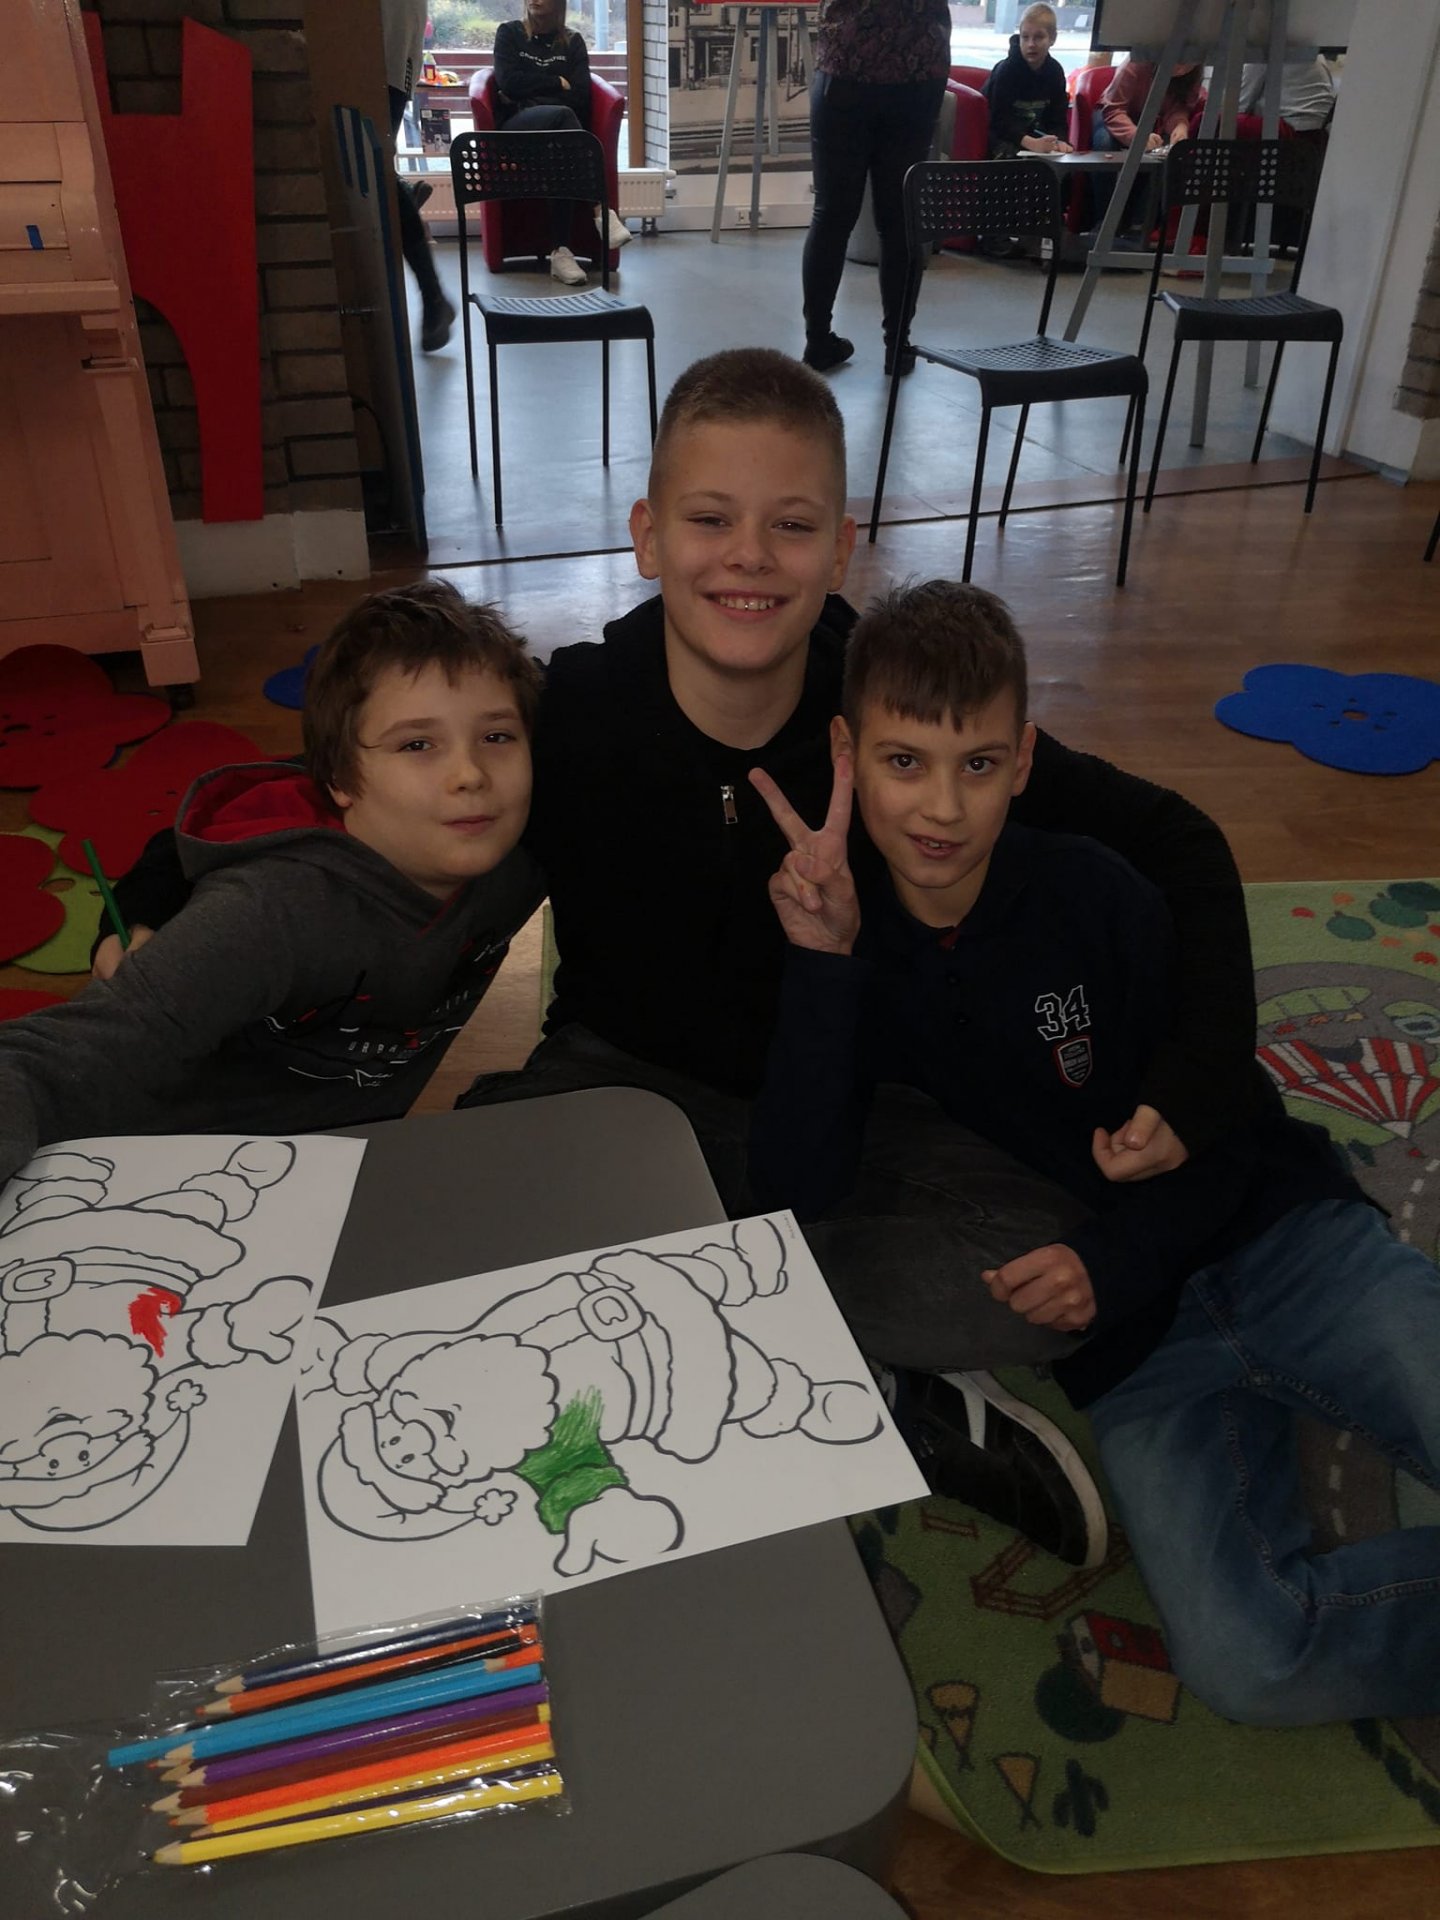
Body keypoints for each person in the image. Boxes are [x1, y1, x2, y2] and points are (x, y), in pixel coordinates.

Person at [98, 350, 1262, 1561]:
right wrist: (152, 895)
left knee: (1052, 1271)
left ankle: (738, 1325)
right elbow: (333, 786)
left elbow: (1174, 836)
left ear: (840, 547)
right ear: (649, 536)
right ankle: (866, 1377)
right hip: (618, 1084)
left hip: (857, 1110)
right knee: (443, 1232)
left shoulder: (890, 710)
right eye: (711, 520)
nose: (748, 557)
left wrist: (1201, 1074)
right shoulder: (570, 711)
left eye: (790, 525)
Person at [749, 577, 1440, 1724]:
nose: (941, 806)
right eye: (905, 762)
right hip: (1139, 1356)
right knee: (1247, 1663)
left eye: (977, 764)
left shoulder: (1099, 895)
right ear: (846, 754)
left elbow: (1229, 1121)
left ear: (1023, 760)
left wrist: (1113, 1258)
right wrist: (824, 968)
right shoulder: (841, 931)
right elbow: (794, 1187)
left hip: (1284, 1241)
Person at [0, 583, 545, 1184]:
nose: (469, 774)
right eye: (417, 744)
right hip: (159, 1179)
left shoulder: (520, 846)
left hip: (335, 1173)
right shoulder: (272, 911)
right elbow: (52, 1056)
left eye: (496, 736)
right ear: (340, 779)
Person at [800, 0, 951, 376]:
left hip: (845, 67)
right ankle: (897, 348)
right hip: (916, 71)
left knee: (831, 215)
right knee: (900, 220)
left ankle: (818, 341)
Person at [491, 0, 631, 286]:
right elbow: (508, 82)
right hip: (518, 127)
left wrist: (532, 90)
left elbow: (580, 95)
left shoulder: (572, 42)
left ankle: (561, 253)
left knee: (561, 150)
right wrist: (557, 82)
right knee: (563, 117)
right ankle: (600, 212)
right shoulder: (509, 33)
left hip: (558, 132)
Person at [382, 0, 457, 350]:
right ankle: (403, 197)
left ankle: (434, 297)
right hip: (378, 50)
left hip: (386, 55)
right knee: (380, 172)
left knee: (378, 170)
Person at [983, 4, 1073, 159]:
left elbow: (1057, 119)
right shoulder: (1006, 70)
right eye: (1025, 37)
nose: (1031, 44)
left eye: (1039, 37)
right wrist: (1030, 143)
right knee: (1010, 158)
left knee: (1060, 162)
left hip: (1034, 138)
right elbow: (998, 120)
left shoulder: (1055, 72)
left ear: (1052, 39)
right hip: (1000, 136)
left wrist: (1059, 141)